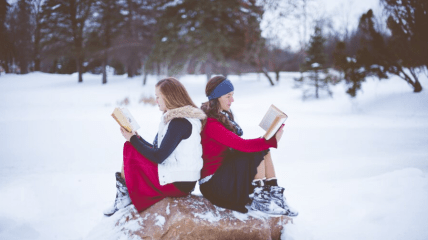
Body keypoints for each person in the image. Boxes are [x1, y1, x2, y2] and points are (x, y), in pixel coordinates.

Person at [104, 77, 206, 216]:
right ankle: (124, 195)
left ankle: (124, 197)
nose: (156, 101)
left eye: (158, 97)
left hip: (179, 181)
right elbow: (159, 151)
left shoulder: (179, 122)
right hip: (181, 177)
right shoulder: (176, 119)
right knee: (132, 146)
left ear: (169, 97)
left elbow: (159, 156)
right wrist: (136, 138)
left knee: (130, 148)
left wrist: (133, 139)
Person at [199, 76, 298, 216]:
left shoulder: (220, 116)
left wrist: (266, 142)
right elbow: (242, 145)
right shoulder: (211, 122)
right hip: (213, 184)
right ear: (217, 97)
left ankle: (274, 194)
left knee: (263, 150)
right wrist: (269, 140)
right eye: (228, 96)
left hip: (223, 174)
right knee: (256, 150)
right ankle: (260, 199)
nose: (232, 100)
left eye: (232, 95)